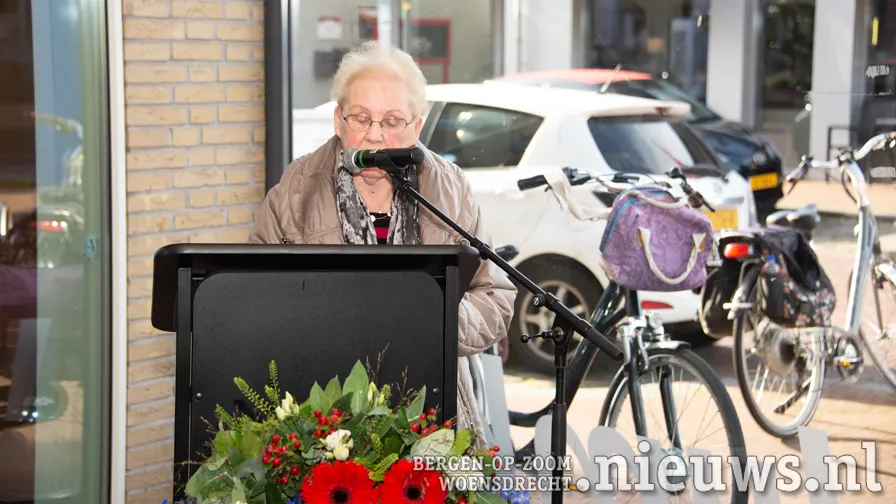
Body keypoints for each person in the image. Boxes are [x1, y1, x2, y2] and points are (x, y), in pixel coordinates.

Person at [248, 41, 517, 449]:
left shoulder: (450, 189)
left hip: (435, 406)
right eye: (361, 118)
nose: (374, 134)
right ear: (339, 120)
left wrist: (430, 320)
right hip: (323, 416)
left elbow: (494, 296)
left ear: (416, 127)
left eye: (392, 120)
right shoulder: (292, 194)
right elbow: (258, 302)